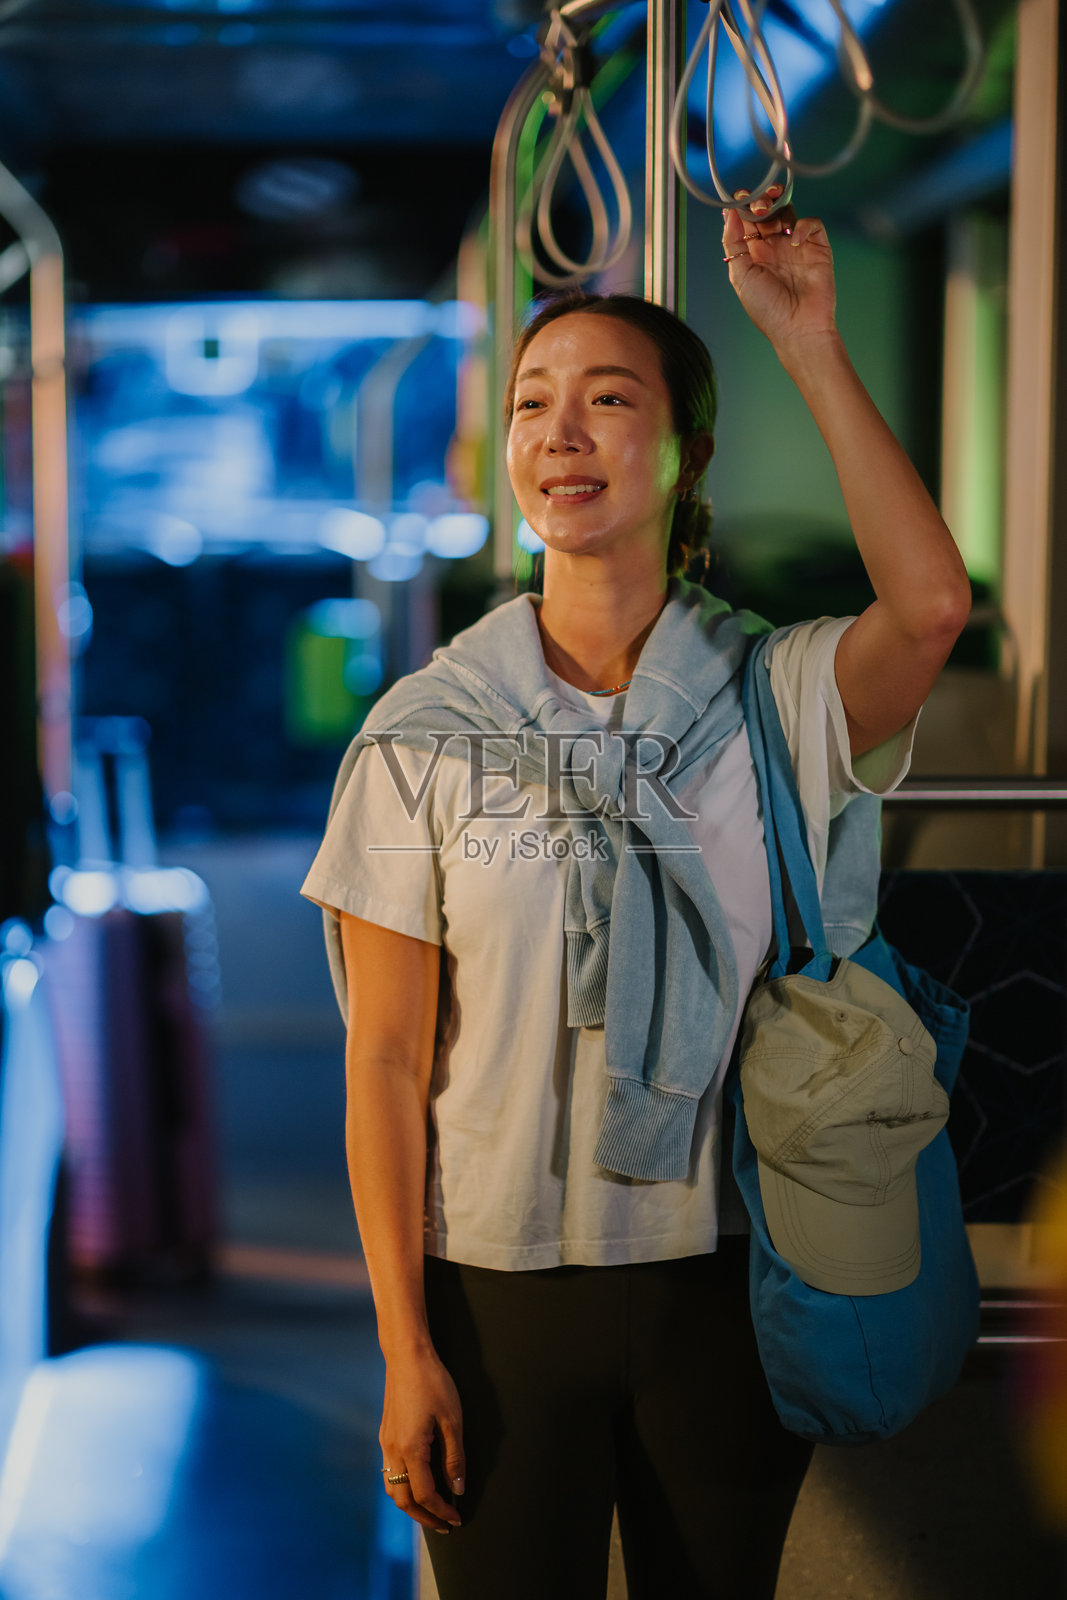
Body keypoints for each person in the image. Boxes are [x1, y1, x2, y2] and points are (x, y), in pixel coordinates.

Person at [301, 186, 972, 1600]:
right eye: (537, 402)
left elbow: (927, 612)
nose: (562, 431)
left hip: (723, 1276)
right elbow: (383, 1057)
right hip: (490, 1291)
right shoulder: (424, 735)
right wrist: (402, 1345)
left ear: (683, 452)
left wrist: (808, 343)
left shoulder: (775, 695)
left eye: (609, 398)